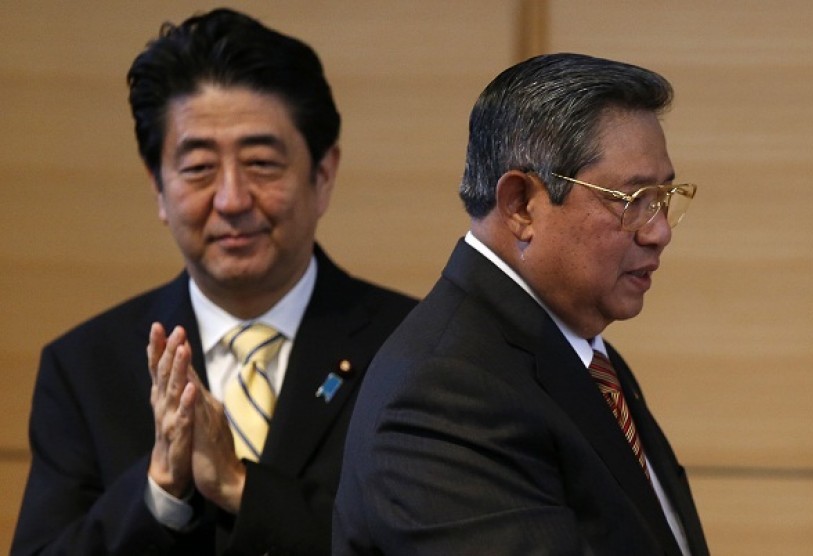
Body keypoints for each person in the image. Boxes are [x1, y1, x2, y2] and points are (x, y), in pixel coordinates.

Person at [12, 8, 416, 556]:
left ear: (323, 175)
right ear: (158, 187)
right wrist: (160, 487)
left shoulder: (414, 350)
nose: (231, 200)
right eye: (199, 168)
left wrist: (237, 486)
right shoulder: (87, 368)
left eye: (261, 163)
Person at [333, 53, 709, 555]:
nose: (659, 231)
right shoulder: (443, 390)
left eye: (663, 198)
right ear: (520, 205)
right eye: (633, 199)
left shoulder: (584, 352)